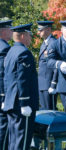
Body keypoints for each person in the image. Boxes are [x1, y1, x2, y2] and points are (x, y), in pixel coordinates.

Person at [3, 24, 39, 150]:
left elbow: (7, 78)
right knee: (22, 142)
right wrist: (24, 103)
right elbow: (22, 79)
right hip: (22, 105)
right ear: (23, 35)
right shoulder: (24, 53)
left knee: (14, 141)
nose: (31, 38)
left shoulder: (11, 51)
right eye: (29, 35)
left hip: (12, 103)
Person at [37, 21, 57, 110]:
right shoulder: (44, 43)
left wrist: (53, 84)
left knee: (50, 110)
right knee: (44, 111)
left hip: (48, 82)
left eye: (41, 30)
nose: (39, 32)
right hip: (42, 82)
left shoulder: (53, 43)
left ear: (48, 29)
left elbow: (56, 65)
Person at [0, 20, 12, 150]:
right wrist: (3, 97)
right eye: (10, 29)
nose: (12, 31)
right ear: (3, 31)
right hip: (1, 95)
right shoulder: (4, 48)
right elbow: (2, 74)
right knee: (3, 126)